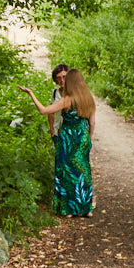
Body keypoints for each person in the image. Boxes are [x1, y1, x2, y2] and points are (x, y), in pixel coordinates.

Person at [19, 68, 96, 217]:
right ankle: (86, 209)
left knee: (66, 171)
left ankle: (68, 209)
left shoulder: (67, 100)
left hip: (68, 138)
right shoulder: (88, 98)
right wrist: (89, 139)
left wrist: (31, 94)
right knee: (83, 171)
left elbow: (44, 111)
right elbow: (92, 122)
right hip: (83, 136)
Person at [47, 64, 68, 140]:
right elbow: (50, 112)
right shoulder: (55, 93)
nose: (62, 80)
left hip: (72, 134)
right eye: (58, 78)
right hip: (58, 132)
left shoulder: (76, 93)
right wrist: (52, 129)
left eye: (64, 77)